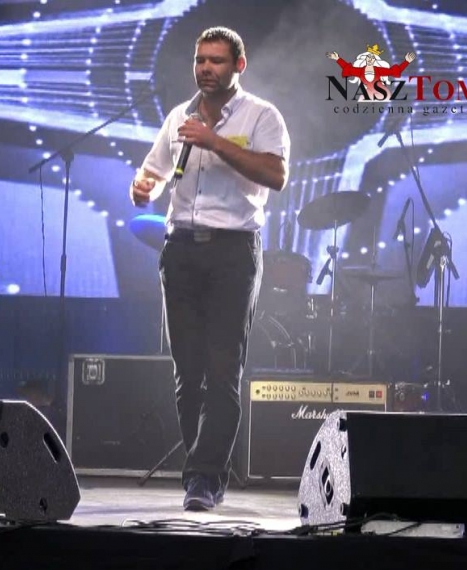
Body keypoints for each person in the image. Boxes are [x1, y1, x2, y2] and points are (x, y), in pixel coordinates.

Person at [129, 26, 290, 511]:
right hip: (180, 249)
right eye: (200, 60)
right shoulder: (179, 116)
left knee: (222, 373)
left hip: (232, 252)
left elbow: (276, 175)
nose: (205, 69)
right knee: (187, 373)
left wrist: (215, 142)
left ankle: (203, 478)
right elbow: (155, 172)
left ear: (238, 65)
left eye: (216, 61)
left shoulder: (262, 115)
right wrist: (142, 187)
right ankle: (201, 471)